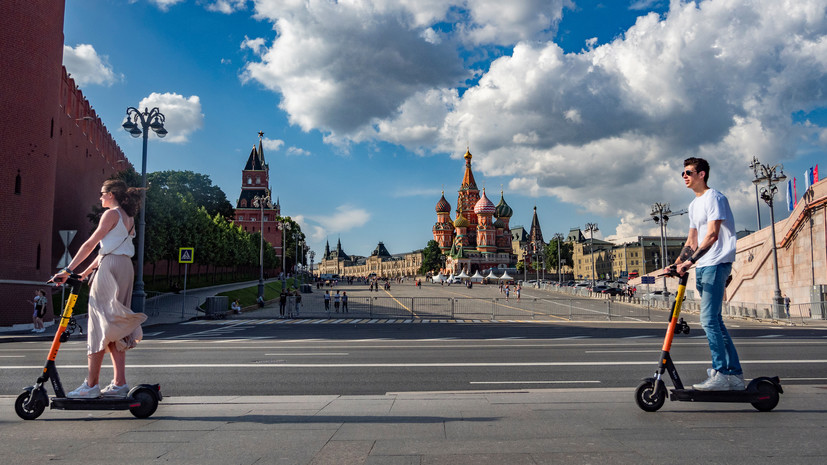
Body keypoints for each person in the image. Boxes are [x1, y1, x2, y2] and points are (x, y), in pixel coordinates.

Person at [50, 179, 147, 398]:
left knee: (99, 325)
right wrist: (83, 274)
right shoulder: (128, 218)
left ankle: (91, 385)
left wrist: (67, 269)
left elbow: (91, 244)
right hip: (123, 268)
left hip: (110, 268)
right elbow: (109, 250)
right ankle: (119, 383)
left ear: (112, 194)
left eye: (102, 193)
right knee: (115, 325)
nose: (100, 197)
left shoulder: (111, 214)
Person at [672, 157, 744, 391]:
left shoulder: (715, 198)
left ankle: (721, 373)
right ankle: (733, 375)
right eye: (682, 173)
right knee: (716, 322)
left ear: (702, 174)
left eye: (689, 172)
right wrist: (676, 264)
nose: (685, 176)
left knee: (708, 320)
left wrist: (690, 261)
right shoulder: (694, 205)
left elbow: (712, 235)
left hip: (716, 263)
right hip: (703, 266)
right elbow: (692, 240)